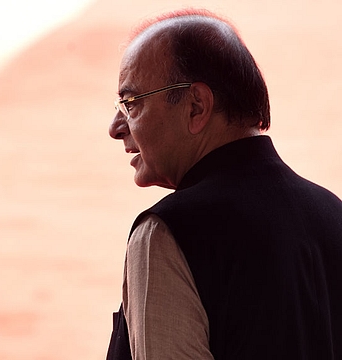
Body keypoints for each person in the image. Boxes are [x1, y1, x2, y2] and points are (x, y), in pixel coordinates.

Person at [106, 9, 342, 360]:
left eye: (131, 103)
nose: (116, 127)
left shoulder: (167, 232)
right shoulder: (332, 213)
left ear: (196, 106)